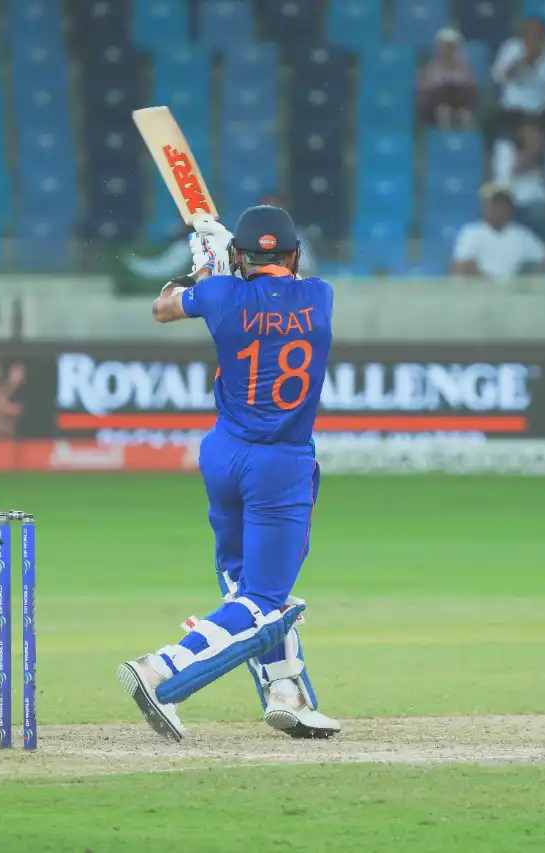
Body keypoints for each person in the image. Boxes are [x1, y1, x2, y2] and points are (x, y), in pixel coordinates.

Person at [120, 204, 340, 742]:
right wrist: (229, 262)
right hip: (280, 462)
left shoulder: (220, 296)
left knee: (247, 583)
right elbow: (282, 287)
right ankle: (159, 669)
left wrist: (205, 271)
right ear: (294, 255)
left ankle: (286, 690)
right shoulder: (321, 297)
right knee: (266, 597)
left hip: (223, 453)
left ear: (239, 256)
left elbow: (162, 308)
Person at [489, 18, 545, 138]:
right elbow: (497, 77)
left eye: (539, 34)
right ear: (524, 35)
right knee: (492, 123)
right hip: (513, 111)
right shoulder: (511, 47)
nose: (535, 38)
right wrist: (523, 61)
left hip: (543, 113)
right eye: (531, 34)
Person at [450, 184, 545, 279]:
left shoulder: (521, 234)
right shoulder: (471, 232)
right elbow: (460, 265)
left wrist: (530, 277)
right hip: (479, 290)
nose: (500, 209)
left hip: (512, 291)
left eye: (504, 205)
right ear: (487, 207)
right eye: (496, 205)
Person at [491, 119, 545, 240]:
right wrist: (531, 151)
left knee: (541, 213)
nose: (534, 136)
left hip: (540, 203)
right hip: (513, 202)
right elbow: (505, 176)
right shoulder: (505, 148)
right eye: (530, 133)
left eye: (537, 133)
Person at [417, 26, 478, 128]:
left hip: (460, 104)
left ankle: (464, 140)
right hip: (435, 107)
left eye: (452, 46)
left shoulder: (464, 67)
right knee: (443, 112)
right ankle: (444, 139)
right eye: (446, 46)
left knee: (465, 114)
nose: (448, 49)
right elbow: (423, 90)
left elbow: (471, 88)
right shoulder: (430, 67)